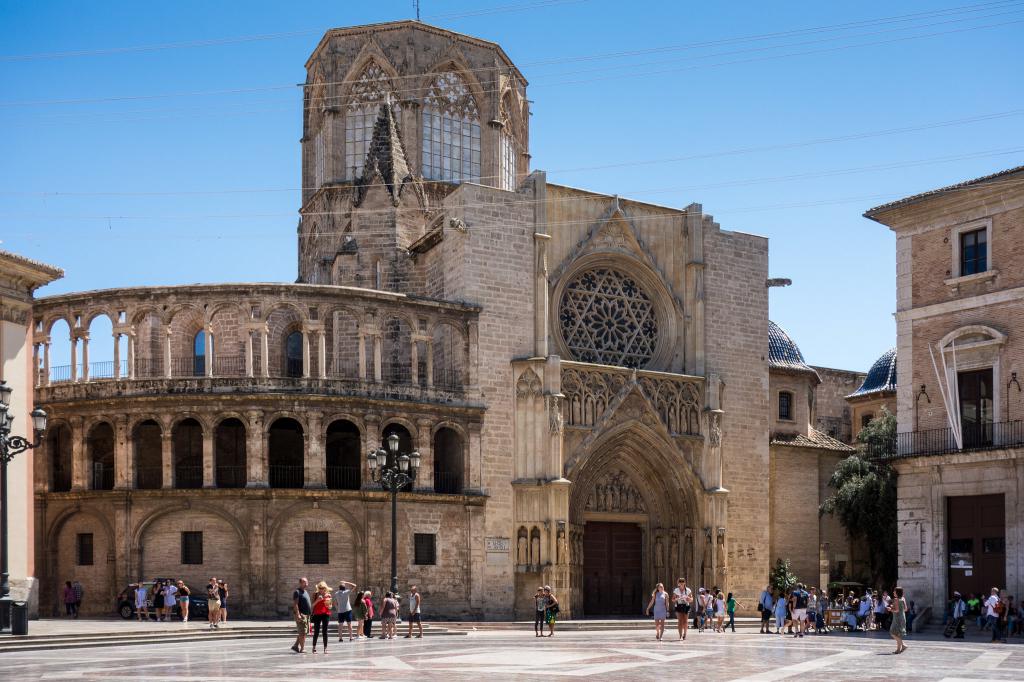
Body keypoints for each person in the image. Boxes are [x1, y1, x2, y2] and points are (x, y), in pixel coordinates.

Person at [311, 581, 333, 653]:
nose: (321, 589)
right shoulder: (315, 594)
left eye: (322, 588)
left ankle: (325, 648)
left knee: (325, 631)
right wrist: (317, 600)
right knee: (316, 631)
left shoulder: (328, 595)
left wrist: (329, 605)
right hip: (317, 614)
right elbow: (312, 606)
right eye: (320, 588)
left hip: (325, 614)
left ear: (325, 588)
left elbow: (330, 607)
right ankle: (314, 647)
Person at [291, 577, 311, 653]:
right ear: (300, 583)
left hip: (307, 615)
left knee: (304, 632)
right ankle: (302, 648)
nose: (306, 583)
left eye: (307, 582)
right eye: (304, 582)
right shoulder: (297, 592)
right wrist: (298, 614)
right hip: (301, 615)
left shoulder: (305, 592)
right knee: (302, 632)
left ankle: (296, 646)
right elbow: (295, 604)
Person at [889, 586, 908, 654]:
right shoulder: (903, 598)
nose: (893, 592)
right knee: (898, 634)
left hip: (897, 618)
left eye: (894, 591)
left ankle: (903, 645)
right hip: (902, 617)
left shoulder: (896, 599)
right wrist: (894, 607)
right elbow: (905, 609)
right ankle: (898, 650)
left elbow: (896, 610)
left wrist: (891, 609)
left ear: (897, 592)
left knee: (892, 632)